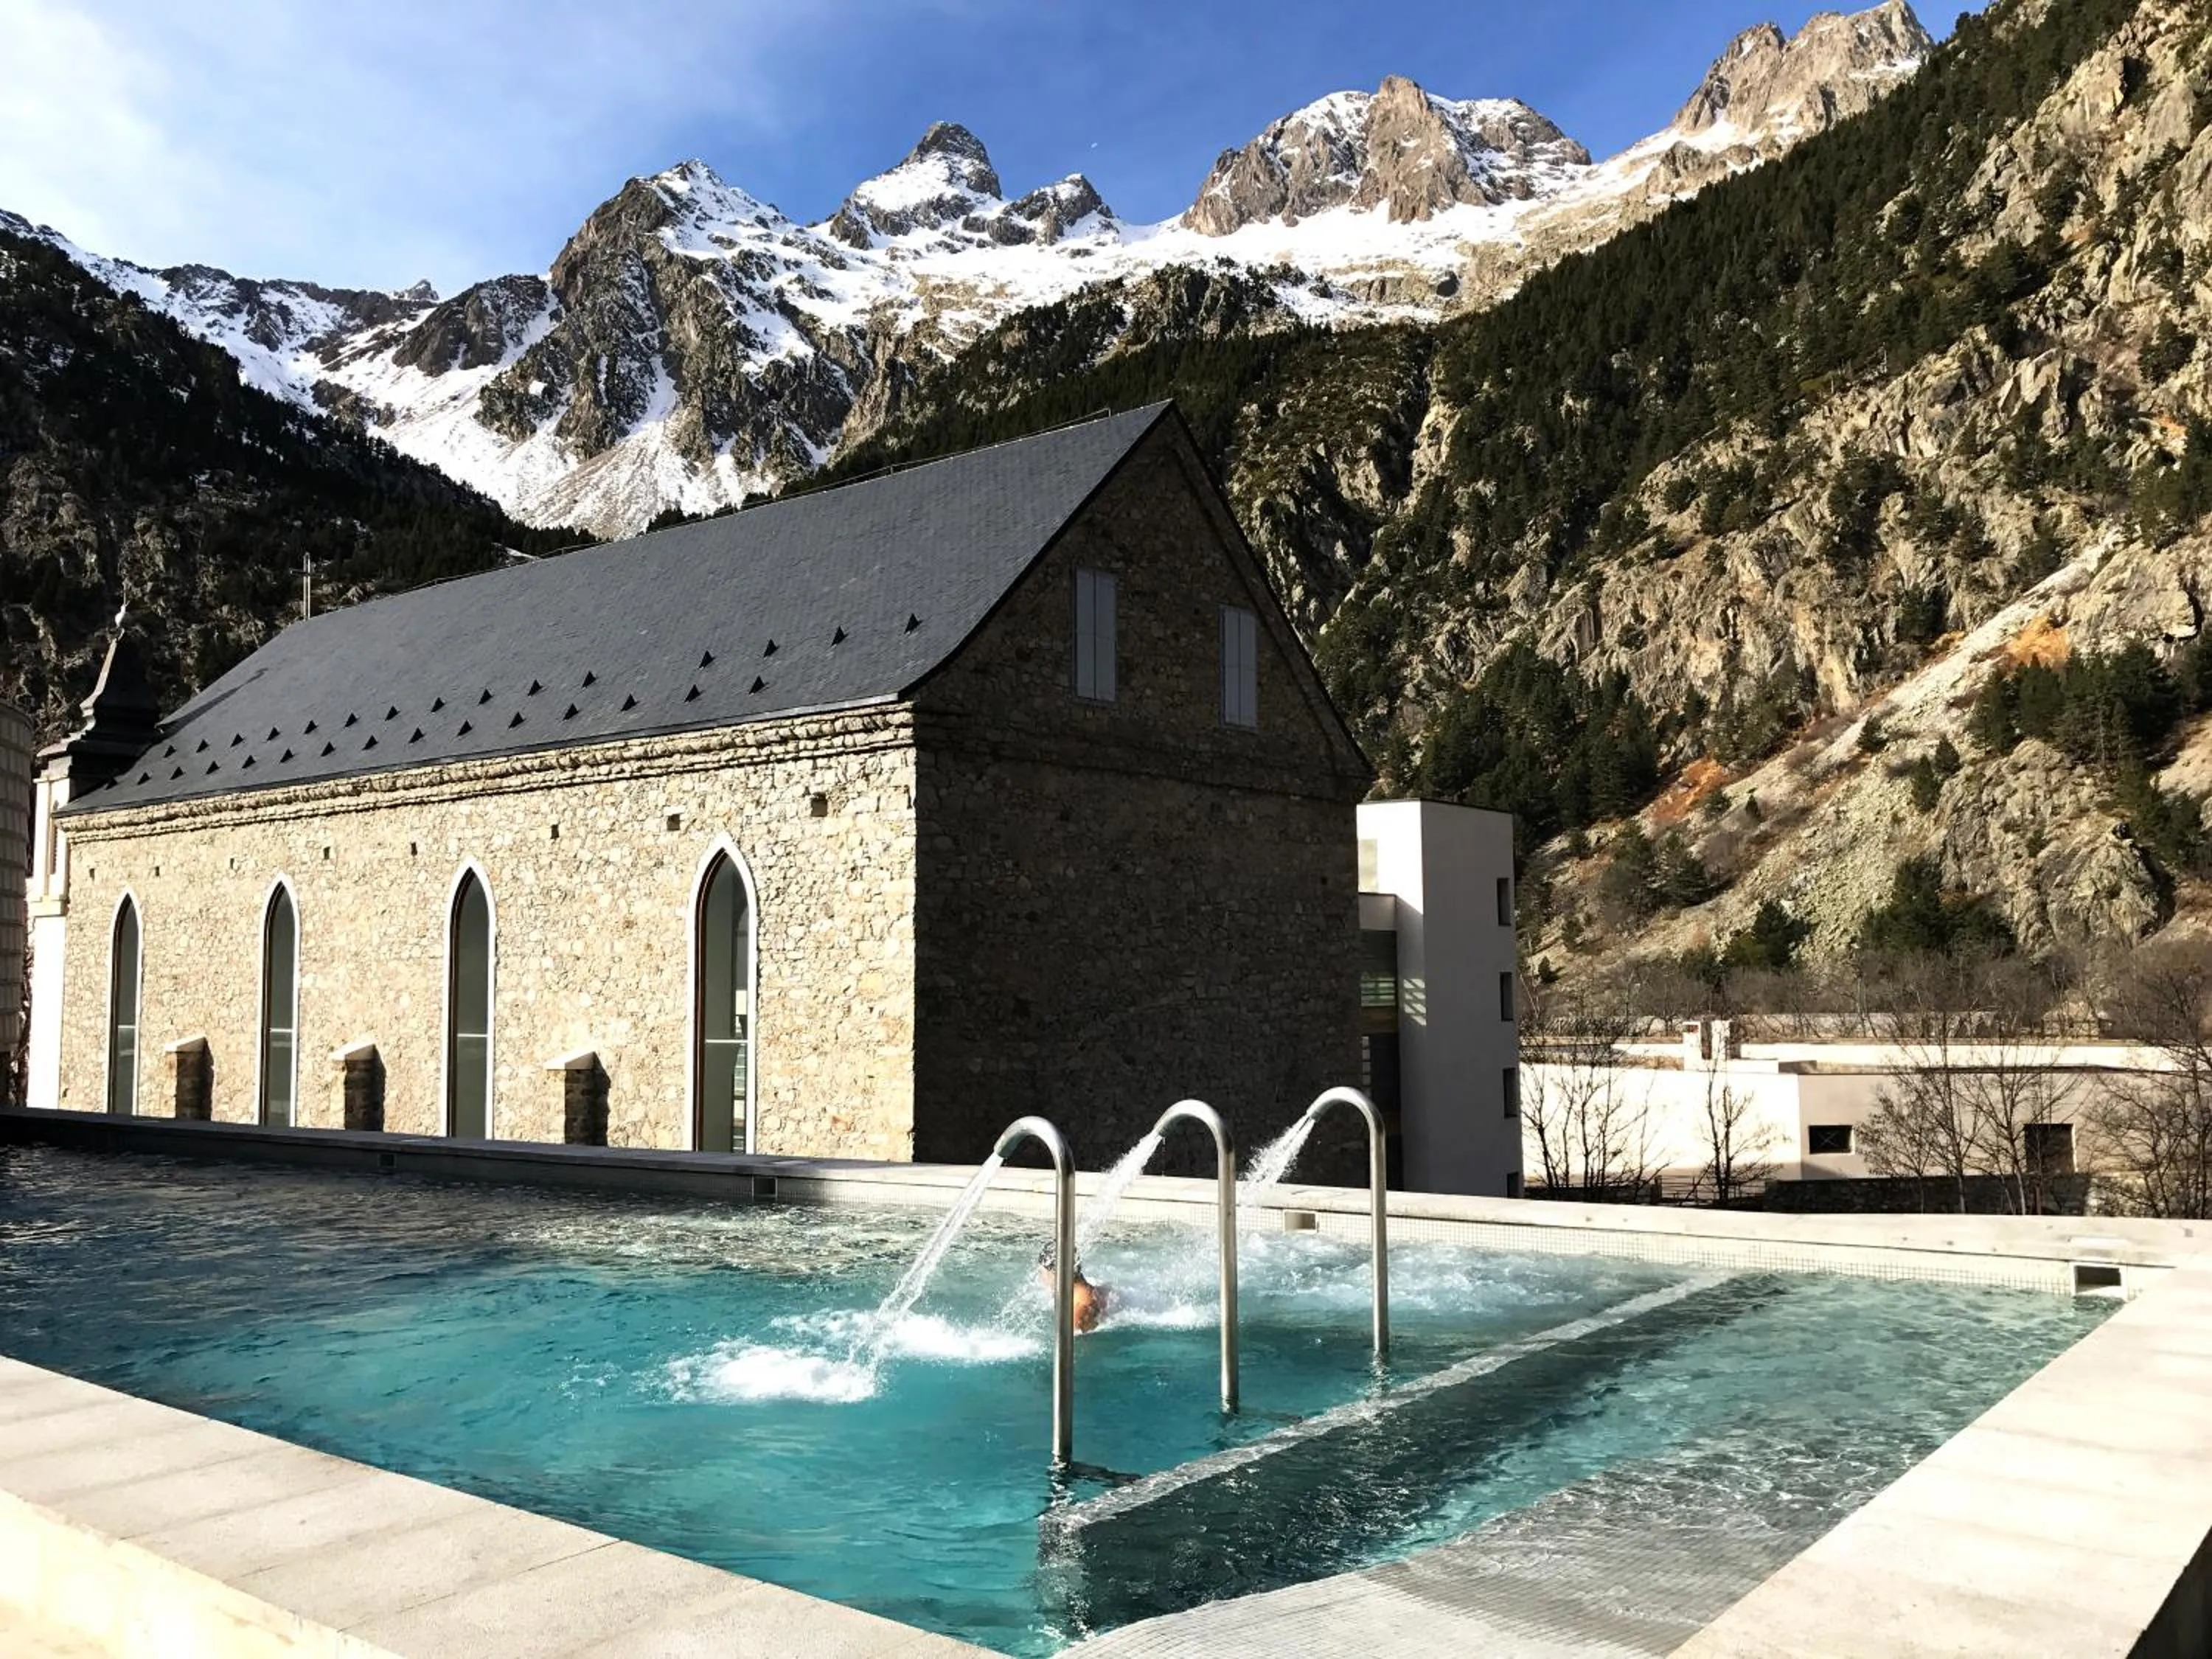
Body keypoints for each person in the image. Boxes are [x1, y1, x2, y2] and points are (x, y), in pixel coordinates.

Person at [1036, 1245, 1109, 1334]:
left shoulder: (1078, 1309)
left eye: (1041, 1272)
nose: (1041, 1279)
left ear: (1054, 1272)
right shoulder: (1092, 1291)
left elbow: (1078, 1345)